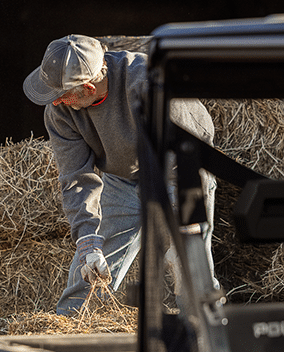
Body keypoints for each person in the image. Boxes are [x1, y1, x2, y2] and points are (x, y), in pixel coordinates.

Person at [22, 34, 217, 314]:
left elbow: (194, 146)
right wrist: (88, 240)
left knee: (191, 271)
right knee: (88, 276)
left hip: (179, 174)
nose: (55, 103)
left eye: (62, 96)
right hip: (122, 178)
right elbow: (76, 177)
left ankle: (202, 344)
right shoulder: (61, 113)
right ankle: (68, 335)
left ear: (88, 88)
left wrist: (182, 229)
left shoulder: (149, 85)